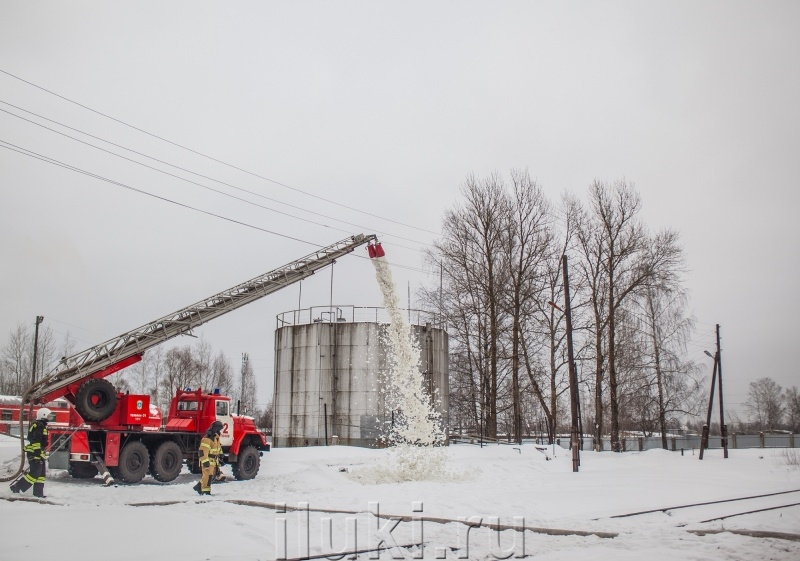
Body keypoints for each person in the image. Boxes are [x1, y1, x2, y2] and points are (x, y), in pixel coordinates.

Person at [10, 408, 51, 498]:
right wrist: (37, 454)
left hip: (39, 453)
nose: (49, 417)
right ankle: (17, 487)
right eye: (48, 415)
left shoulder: (41, 425)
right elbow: (35, 440)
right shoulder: (39, 425)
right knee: (35, 473)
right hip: (35, 454)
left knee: (41, 475)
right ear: (43, 415)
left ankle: (38, 493)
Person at [193, 420, 223, 496]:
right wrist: (205, 461)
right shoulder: (207, 439)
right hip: (208, 460)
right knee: (208, 476)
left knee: (212, 476)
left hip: (214, 461)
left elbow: (218, 447)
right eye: (219, 429)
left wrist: (221, 456)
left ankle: (199, 487)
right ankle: (205, 492)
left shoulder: (216, 438)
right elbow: (202, 451)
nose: (220, 431)